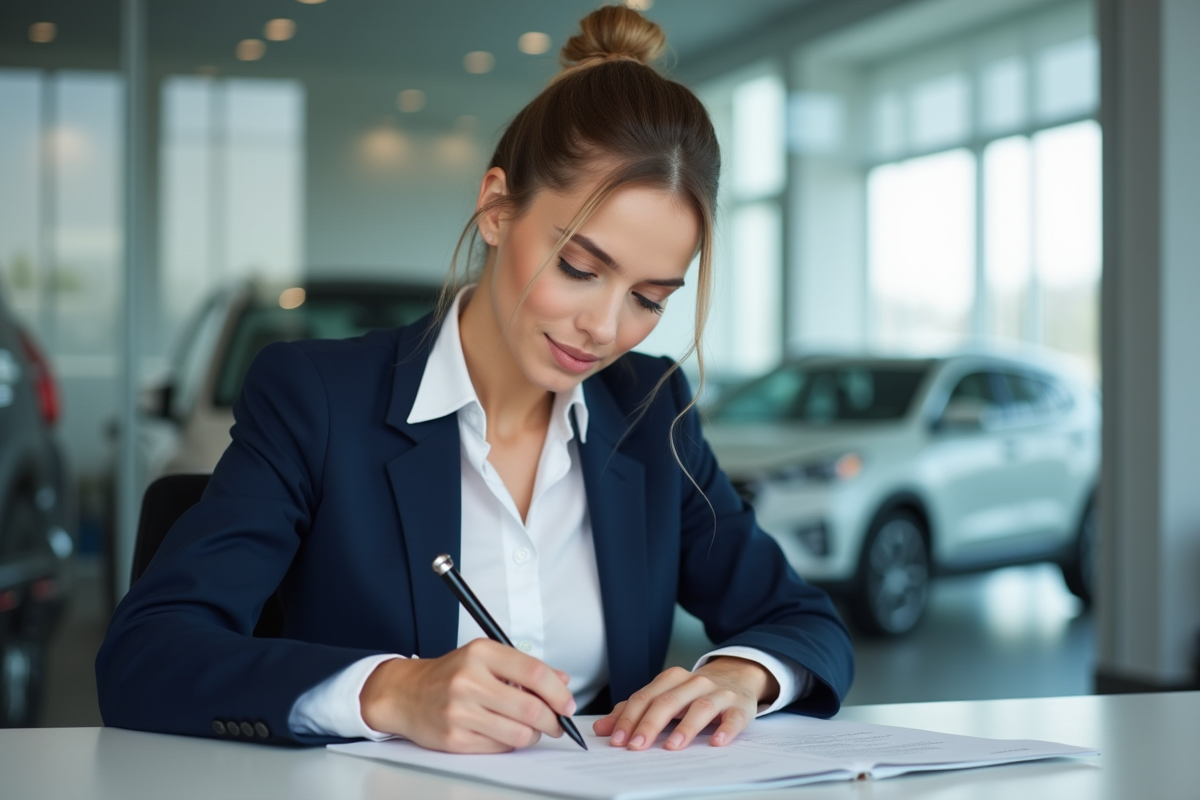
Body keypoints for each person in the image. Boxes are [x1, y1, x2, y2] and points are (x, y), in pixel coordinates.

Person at [96, 5, 853, 754]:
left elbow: (805, 622)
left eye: (650, 298)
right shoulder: (318, 398)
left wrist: (738, 673)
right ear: (496, 208)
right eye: (580, 269)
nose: (605, 326)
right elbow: (148, 654)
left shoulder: (648, 415)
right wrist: (390, 691)